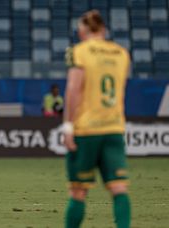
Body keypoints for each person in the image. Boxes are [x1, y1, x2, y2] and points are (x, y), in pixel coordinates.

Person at [63, 10, 131, 228]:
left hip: (87, 130)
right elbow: (122, 92)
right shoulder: (121, 53)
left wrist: (67, 125)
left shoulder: (79, 51)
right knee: (118, 188)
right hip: (114, 128)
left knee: (78, 191)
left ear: (83, 31)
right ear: (103, 29)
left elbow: (73, 89)